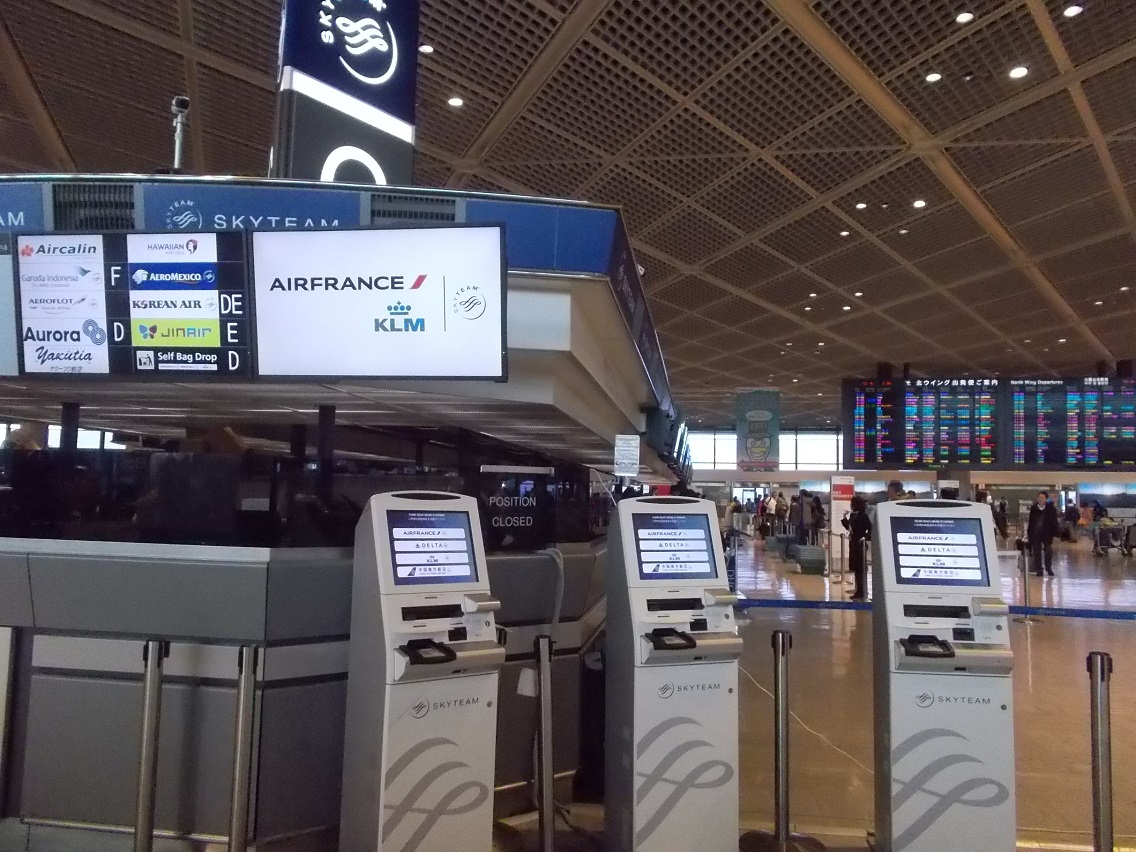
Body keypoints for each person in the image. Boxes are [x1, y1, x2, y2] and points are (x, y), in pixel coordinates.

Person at [842, 494, 872, 601]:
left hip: (860, 544)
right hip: (853, 543)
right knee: (856, 568)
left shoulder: (863, 516)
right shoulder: (853, 515)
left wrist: (865, 537)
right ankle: (858, 591)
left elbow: (870, 529)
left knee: (860, 568)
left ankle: (862, 591)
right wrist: (844, 518)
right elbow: (849, 528)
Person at [1027, 491, 1059, 577]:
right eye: (1039, 498)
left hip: (1047, 533)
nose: (1040, 499)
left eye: (1042, 498)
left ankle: (1048, 568)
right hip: (1036, 533)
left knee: (1048, 550)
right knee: (1036, 552)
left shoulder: (1051, 509)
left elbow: (1054, 522)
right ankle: (1039, 569)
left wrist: (1056, 532)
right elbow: (1031, 521)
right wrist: (1029, 533)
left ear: (1046, 499)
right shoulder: (1034, 508)